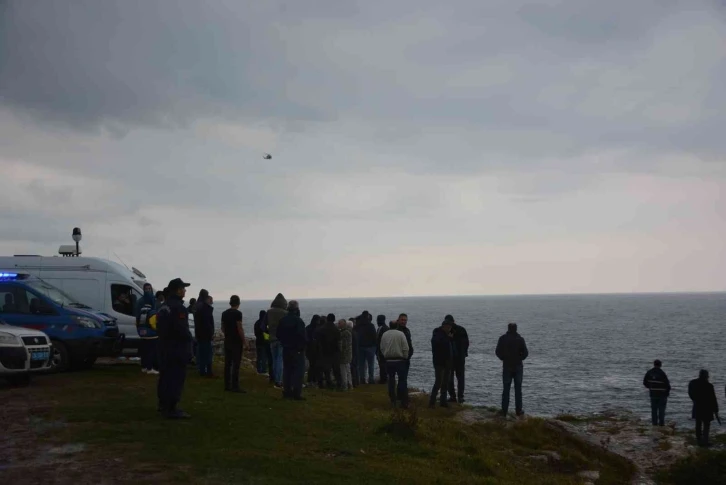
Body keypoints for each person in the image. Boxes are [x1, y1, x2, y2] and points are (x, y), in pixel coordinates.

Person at [156, 279, 192, 419]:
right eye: (183, 288)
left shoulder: (163, 306)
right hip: (177, 348)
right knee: (176, 377)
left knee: (165, 376)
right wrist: (190, 340)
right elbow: (181, 329)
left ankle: (163, 404)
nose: (185, 291)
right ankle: (171, 408)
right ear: (177, 290)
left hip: (164, 346)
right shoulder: (179, 308)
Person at [495, 322, 529, 417]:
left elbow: (497, 351)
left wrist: (503, 358)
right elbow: (526, 353)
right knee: (518, 390)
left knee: (506, 389)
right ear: (516, 329)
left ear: (508, 329)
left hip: (507, 366)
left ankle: (504, 411)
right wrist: (519, 358)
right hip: (518, 366)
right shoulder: (520, 339)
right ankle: (518, 410)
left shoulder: (502, 339)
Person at [276, 300, 307, 400]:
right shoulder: (299, 321)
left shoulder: (282, 320)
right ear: (297, 309)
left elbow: (278, 334)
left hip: (286, 348)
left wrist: (284, 342)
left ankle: (287, 392)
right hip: (297, 350)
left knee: (287, 371)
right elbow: (302, 336)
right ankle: (296, 393)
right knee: (298, 371)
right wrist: (301, 347)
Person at [380, 321, 410, 408]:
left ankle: (392, 398)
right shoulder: (400, 334)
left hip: (388, 360)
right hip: (400, 360)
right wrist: (405, 357)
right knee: (402, 380)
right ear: (397, 326)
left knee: (391, 379)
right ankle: (402, 400)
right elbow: (405, 347)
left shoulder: (384, 334)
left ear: (389, 326)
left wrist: (385, 355)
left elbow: (382, 347)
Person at [688, 369, 720, 447]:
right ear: (706, 376)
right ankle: (705, 441)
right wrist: (715, 410)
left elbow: (690, 393)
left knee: (698, 423)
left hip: (697, 406)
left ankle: (699, 440)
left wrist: (694, 400)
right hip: (707, 408)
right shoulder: (709, 386)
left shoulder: (692, 383)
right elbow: (713, 399)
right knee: (706, 425)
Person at [221, 295, 246, 393]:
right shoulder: (238, 313)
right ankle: (235, 386)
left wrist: (227, 334)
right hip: (236, 341)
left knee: (227, 363)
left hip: (227, 340)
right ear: (238, 303)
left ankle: (227, 385)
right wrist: (244, 341)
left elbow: (222, 327)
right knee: (236, 364)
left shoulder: (224, 313)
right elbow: (239, 328)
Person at [430, 318, 454, 408]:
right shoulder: (438, 334)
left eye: (450, 327)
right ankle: (432, 401)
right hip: (439, 362)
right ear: (444, 326)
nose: (449, 329)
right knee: (438, 382)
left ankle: (443, 401)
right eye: (448, 327)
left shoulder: (446, 335)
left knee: (445, 382)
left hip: (447, 361)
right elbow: (437, 343)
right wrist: (448, 338)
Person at [135, 283, 159, 374]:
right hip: (150, 330)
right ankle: (149, 367)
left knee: (145, 350)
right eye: (146, 289)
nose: (148, 290)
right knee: (150, 350)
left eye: (149, 288)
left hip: (143, 330)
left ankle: (145, 366)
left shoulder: (147, 302)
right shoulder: (142, 301)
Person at [266, 293, 288, 388]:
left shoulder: (269, 312)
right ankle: (279, 381)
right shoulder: (285, 313)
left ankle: (274, 378)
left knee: (274, 360)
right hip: (281, 339)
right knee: (280, 360)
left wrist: (267, 337)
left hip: (271, 339)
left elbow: (263, 326)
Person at [447, 315, 469, 403]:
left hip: (453, 358)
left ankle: (454, 396)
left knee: (450, 378)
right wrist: (464, 353)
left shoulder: (447, 331)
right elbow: (466, 343)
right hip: (459, 357)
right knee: (459, 378)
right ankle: (459, 397)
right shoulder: (462, 329)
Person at [316, 314, 341, 389]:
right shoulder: (336, 329)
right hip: (335, 351)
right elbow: (339, 341)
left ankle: (328, 382)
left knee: (326, 369)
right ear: (334, 319)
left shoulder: (321, 329)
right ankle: (339, 383)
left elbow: (318, 341)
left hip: (324, 351)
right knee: (336, 369)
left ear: (327, 319)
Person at [193, 289, 215, 377]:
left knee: (201, 352)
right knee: (208, 353)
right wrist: (211, 333)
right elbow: (207, 322)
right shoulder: (205, 308)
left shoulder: (197, 306)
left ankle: (202, 370)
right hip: (205, 334)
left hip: (199, 333)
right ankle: (208, 371)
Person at [643, 359, 671, 426]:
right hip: (662, 394)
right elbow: (667, 385)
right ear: (660, 365)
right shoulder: (662, 373)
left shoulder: (649, 372)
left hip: (653, 393)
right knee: (661, 409)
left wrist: (650, 387)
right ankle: (661, 424)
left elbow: (645, 382)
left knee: (654, 409)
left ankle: (654, 423)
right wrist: (667, 392)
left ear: (654, 364)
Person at [355, 311, 377, 384]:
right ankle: (371, 379)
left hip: (360, 347)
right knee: (371, 364)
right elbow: (375, 337)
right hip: (370, 347)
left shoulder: (357, 326)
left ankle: (362, 379)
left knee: (361, 365)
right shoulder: (371, 325)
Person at [305, 315, 321, 386]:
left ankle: (312, 380)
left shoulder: (308, 328)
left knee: (313, 365)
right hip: (313, 349)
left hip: (310, 349)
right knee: (313, 365)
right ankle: (312, 380)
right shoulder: (317, 328)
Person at [338, 319, 353, 390]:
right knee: (348, 370)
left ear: (343, 324)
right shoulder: (348, 332)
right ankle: (350, 384)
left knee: (343, 371)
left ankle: (345, 386)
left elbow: (343, 345)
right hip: (348, 354)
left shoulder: (343, 333)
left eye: (339, 323)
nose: (338, 324)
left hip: (344, 355)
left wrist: (340, 352)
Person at [253, 310, 268, 375]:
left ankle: (258, 370)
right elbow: (266, 333)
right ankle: (264, 370)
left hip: (258, 341)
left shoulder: (256, 323)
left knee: (259, 357)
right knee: (264, 357)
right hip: (264, 342)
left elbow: (255, 333)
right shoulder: (265, 323)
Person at [375, 315, 389, 384]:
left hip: (381, 350)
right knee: (386, 365)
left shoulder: (380, 328)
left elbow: (377, 339)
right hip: (387, 350)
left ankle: (383, 379)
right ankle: (385, 378)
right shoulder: (387, 328)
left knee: (382, 365)